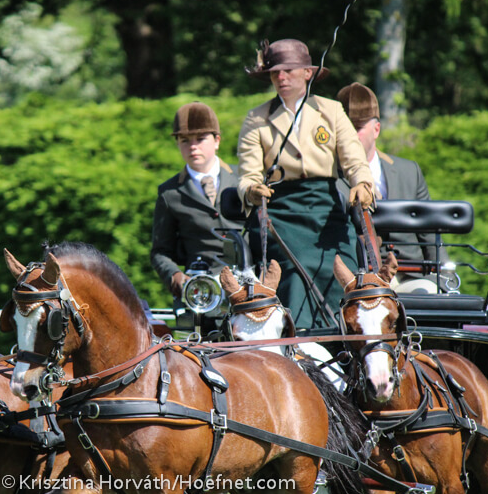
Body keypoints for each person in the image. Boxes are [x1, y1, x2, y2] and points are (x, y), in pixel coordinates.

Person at [237, 39, 374, 330]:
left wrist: (362, 183)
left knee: (343, 268)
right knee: (293, 269)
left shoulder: (331, 111)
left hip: (326, 210)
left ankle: (347, 339)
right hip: (279, 212)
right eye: (275, 73)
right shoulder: (256, 118)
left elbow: (354, 160)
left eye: (288, 71)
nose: (281, 78)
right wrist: (252, 189)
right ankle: (297, 340)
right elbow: (248, 174)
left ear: (307, 73)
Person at [336, 82, 449, 293]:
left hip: (411, 276)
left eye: (357, 129)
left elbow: (429, 232)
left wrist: (446, 280)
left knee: (427, 293)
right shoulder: (330, 178)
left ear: (376, 129)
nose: (350, 136)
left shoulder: (409, 172)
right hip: (358, 280)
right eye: (345, 129)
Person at [151, 102, 244, 332]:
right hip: (201, 297)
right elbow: (160, 251)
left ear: (217, 141)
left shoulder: (245, 180)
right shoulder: (170, 193)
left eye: (200, 139)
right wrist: (177, 279)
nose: (193, 146)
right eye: (185, 140)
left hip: (247, 291)